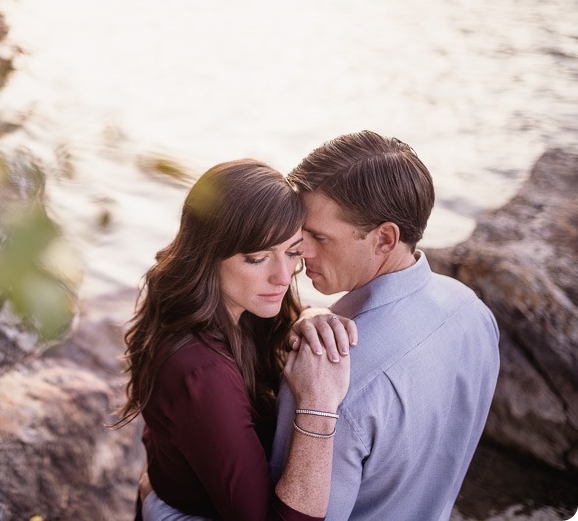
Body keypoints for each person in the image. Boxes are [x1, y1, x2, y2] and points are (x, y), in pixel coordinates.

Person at [271, 130, 500, 520]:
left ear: (384, 239)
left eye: (319, 236)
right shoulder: (472, 312)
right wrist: (308, 314)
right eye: (301, 230)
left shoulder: (327, 377)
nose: (299, 249)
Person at [115, 159, 353, 520]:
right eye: (257, 258)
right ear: (208, 256)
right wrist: (317, 408)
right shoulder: (203, 370)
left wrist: (310, 315)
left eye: (292, 252)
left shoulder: (225, 310)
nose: (283, 277)